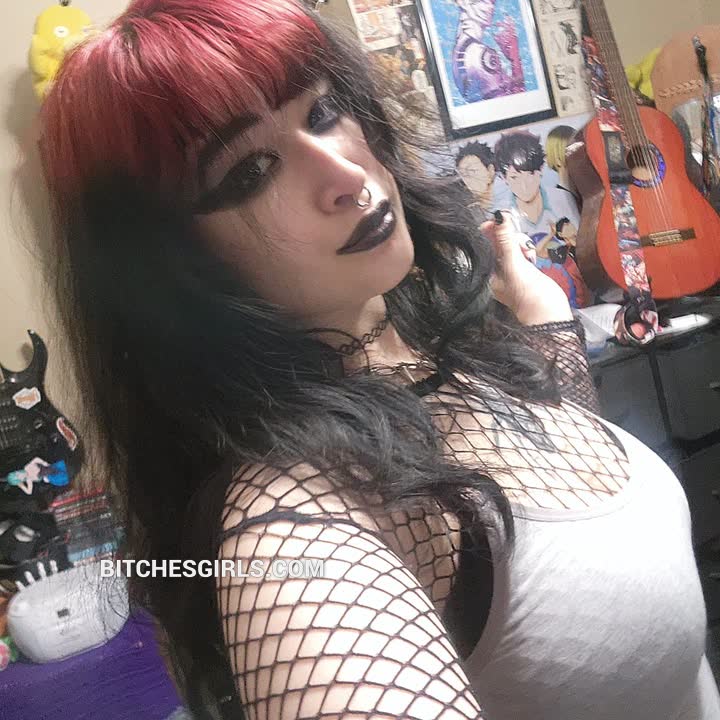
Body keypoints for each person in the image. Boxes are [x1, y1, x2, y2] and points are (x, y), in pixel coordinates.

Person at [37, 1, 719, 719]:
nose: (345, 174)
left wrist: (545, 321)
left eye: (322, 111)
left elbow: (560, 530)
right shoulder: (291, 520)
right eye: (249, 172)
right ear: (171, 265)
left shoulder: (430, 335)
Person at [493, 129, 580, 241]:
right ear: (503, 178)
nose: (524, 186)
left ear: (541, 169)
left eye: (530, 174)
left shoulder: (563, 198)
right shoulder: (502, 215)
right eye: (514, 177)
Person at [455, 141, 496, 223]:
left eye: (472, 171)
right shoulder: (468, 214)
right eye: (463, 174)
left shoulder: (510, 200)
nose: (467, 179)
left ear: (490, 171)